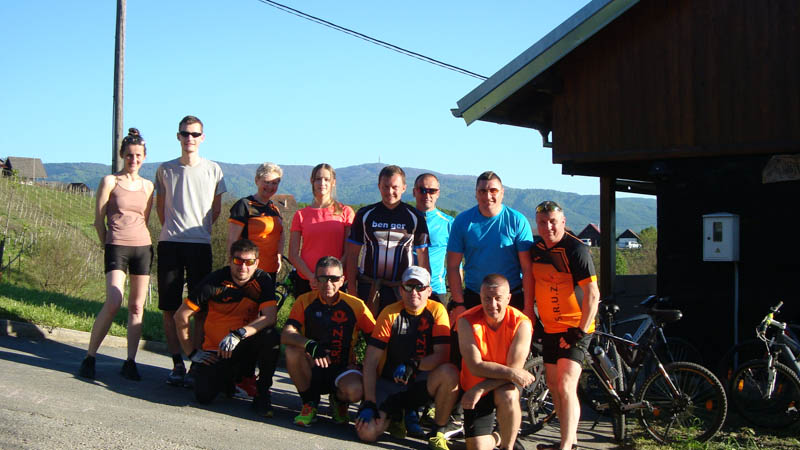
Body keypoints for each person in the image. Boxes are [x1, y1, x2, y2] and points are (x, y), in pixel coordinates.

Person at [355, 266, 459, 450]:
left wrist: (414, 364)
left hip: (420, 383)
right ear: (401, 290)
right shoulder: (390, 312)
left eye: (420, 287)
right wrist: (369, 401)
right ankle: (396, 416)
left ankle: (438, 431)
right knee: (367, 432)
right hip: (389, 384)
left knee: (449, 372)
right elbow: (370, 360)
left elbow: (442, 355)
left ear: (429, 291)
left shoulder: (437, 311)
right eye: (409, 287)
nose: (414, 292)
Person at [157, 115, 226, 387]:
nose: (190, 138)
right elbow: (160, 208)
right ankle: (177, 363)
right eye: (185, 133)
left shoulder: (214, 170)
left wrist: (200, 231)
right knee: (169, 306)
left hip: (200, 245)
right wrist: (173, 231)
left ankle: (196, 363)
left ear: (202, 138)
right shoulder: (165, 170)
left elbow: (216, 210)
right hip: (170, 244)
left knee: (201, 308)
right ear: (178, 136)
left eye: (195, 134)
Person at [79, 128, 154, 380]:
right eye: (130, 155)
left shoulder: (148, 186)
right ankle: (90, 357)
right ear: (122, 155)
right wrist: (107, 244)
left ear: (144, 157)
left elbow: (145, 218)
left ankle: (131, 361)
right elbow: (98, 220)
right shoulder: (110, 181)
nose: (134, 159)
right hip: (116, 246)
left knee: (137, 306)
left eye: (138, 155)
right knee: (113, 301)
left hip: (142, 247)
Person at [173, 239, 280, 416]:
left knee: (271, 335)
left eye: (249, 262)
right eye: (238, 261)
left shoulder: (262, 280)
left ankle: (262, 394)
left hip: (243, 344)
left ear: (257, 263)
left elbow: (270, 317)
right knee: (203, 396)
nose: (243, 267)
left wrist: (239, 334)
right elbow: (180, 316)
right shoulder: (214, 281)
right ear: (230, 260)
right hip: (216, 351)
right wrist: (192, 353)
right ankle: (229, 381)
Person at [530, 200, 599, 450]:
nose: (548, 227)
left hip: (575, 327)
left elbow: (592, 294)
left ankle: (566, 445)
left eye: (553, 222)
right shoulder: (536, 249)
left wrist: (579, 331)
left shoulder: (576, 249)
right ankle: (568, 440)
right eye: (542, 222)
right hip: (550, 328)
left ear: (563, 222)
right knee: (553, 385)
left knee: (566, 384)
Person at [281, 256, 375, 427]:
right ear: (316, 280)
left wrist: (362, 366)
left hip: (343, 368)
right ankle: (309, 404)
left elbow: (376, 341)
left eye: (334, 279)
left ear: (342, 280)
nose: (328, 284)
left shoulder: (357, 306)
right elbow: (286, 334)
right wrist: (310, 345)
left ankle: (339, 402)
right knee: (291, 351)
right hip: (313, 364)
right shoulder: (304, 301)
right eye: (323, 278)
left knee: (355, 391)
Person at [456, 274, 534, 450]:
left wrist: (481, 388)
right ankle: (499, 436)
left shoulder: (521, 323)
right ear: (480, 297)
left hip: (501, 385)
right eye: (487, 298)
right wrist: (511, 373)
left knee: (508, 395)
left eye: (498, 298)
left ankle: (508, 446)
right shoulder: (466, 321)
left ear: (508, 298)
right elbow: (475, 366)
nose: (492, 304)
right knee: (476, 447)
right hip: (475, 384)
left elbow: (514, 369)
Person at [446, 171, 533, 324]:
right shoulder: (462, 222)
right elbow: (453, 266)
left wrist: (529, 307)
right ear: (476, 194)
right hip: (474, 296)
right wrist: (459, 304)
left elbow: (527, 269)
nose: (488, 196)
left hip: (511, 297)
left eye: (493, 190)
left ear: (502, 193)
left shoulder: (517, 221)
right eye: (482, 191)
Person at [345, 165, 430, 316]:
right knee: (368, 329)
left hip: (403, 289)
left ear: (404, 188)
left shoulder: (415, 217)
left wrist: (424, 291)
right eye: (385, 187)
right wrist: (352, 289)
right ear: (379, 186)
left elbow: (423, 258)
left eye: (395, 187)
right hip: (368, 286)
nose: (390, 192)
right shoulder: (365, 214)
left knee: (399, 330)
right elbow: (352, 255)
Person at [288, 163, 355, 297]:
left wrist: (333, 276)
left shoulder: (346, 212)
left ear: (333, 182)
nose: (322, 183)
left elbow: (349, 251)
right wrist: (312, 277)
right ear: (312, 181)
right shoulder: (300, 215)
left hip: (336, 283)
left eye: (326, 179)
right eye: (318, 179)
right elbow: (293, 255)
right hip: (307, 282)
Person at [227, 162, 285, 278]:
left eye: (274, 183)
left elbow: (281, 236)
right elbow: (232, 240)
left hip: (271, 271)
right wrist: (233, 267)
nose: (270, 187)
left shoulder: (275, 209)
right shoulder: (244, 205)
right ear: (257, 180)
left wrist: (279, 256)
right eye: (266, 182)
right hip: (248, 271)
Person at [413, 173, 454, 304]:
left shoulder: (448, 223)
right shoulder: (405, 219)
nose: (427, 195)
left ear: (438, 193)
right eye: (422, 190)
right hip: (407, 289)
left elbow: (456, 263)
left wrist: (456, 298)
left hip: (436, 289)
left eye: (432, 191)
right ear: (414, 192)